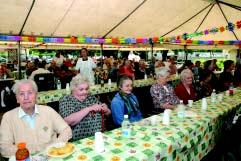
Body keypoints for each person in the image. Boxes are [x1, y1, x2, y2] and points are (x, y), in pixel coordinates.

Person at [0, 79, 72, 158]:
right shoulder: (8, 117)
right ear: (17, 98)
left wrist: (55, 146)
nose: (26, 97)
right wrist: (25, 154)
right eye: (21, 94)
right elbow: (4, 147)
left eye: (30, 93)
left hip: (51, 156)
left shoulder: (48, 111)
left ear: (36, 95)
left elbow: (66, 130)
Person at [59, 75, 111, 141]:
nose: (85, 92)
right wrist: (89, 109)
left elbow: (109, 113)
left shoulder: (90, 97)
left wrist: (106, 110)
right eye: (81, 89)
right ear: (73, 89)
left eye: (86, 89)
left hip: (99, 137)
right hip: (79, 141)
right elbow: (68, 121)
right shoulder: (66, 99)